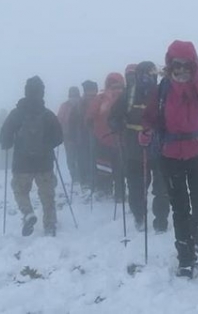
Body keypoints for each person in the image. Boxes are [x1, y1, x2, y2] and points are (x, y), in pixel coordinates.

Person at [142, 40, 198, 278]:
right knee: (179, 207)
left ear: (194, 65)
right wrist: (146, 130)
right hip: (171, 155)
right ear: (170, 65)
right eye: (177, 64)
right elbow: (150, 116)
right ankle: (185, 257)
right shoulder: (162, 89)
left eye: (188, 65)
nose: (182, 70)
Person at [109, 62, 170, 232]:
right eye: (144, 74)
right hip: (134, 150)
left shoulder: (163, 93)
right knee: (136, 188)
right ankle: (139, 216)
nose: (147, 77)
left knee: (161, 188)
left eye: (150, 74)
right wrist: (116, 124)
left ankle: (161, 220)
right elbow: (113, 116)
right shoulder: (128, 94)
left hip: (159, 150)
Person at [0, 76, 63, 237]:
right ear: (42, 93)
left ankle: (28, 213)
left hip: (22, 163)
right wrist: (48, 144)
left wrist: (8, 143)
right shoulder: (47, 114)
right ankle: (50, 225)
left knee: (20, 191)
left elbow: (4, 138)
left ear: (26, 92)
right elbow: (59, 137)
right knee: (47, 194)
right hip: (44, 163)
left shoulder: (16, 114)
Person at [86, 72, 125, 200]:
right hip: (120, 138)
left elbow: (90, 116)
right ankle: (120, 194)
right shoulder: (126, 97)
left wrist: (90, 123)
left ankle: (105, 189)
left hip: (101, 138)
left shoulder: (101, 98)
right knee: (119, 167)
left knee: (104, 166)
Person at [68, 80, 98, 188]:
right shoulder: (79, 106)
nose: (91, 95)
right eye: (89, 92)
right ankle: (85, 183)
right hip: (82, 139)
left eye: (93, 93)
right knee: (83, 161)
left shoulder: (99, 102)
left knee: (95, 162)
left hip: (97, 139)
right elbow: (72, 122)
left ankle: (94, 183)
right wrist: (71, 138)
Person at [57, 87, 80, 179]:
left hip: (81, 135)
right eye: (72, 96)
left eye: (75, 96)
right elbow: (59, 120)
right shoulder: (64, 106)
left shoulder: (82, 105)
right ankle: (74, 176)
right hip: (68, 136)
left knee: (80, 157)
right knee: (71, 157)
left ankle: (81, 175)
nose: (74, 98)